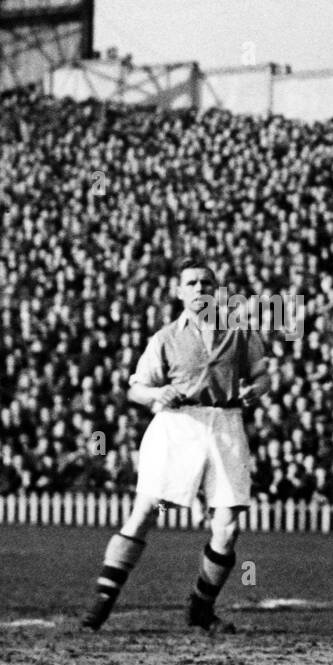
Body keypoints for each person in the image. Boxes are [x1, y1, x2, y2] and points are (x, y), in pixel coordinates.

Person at [81, 257, 269, 632]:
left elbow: (263, 376)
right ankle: (101, 603)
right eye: (192, 283)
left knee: (228, 528)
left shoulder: (242, 333)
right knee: (147, 510)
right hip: (178, 424)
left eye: (206, 283)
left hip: (225, 423)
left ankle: (200, 608)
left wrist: (256, 390)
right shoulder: (165, 338)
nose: (200, 288)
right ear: (180, 292)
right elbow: (136, 387)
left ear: (216, 292)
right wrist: (156, 393)